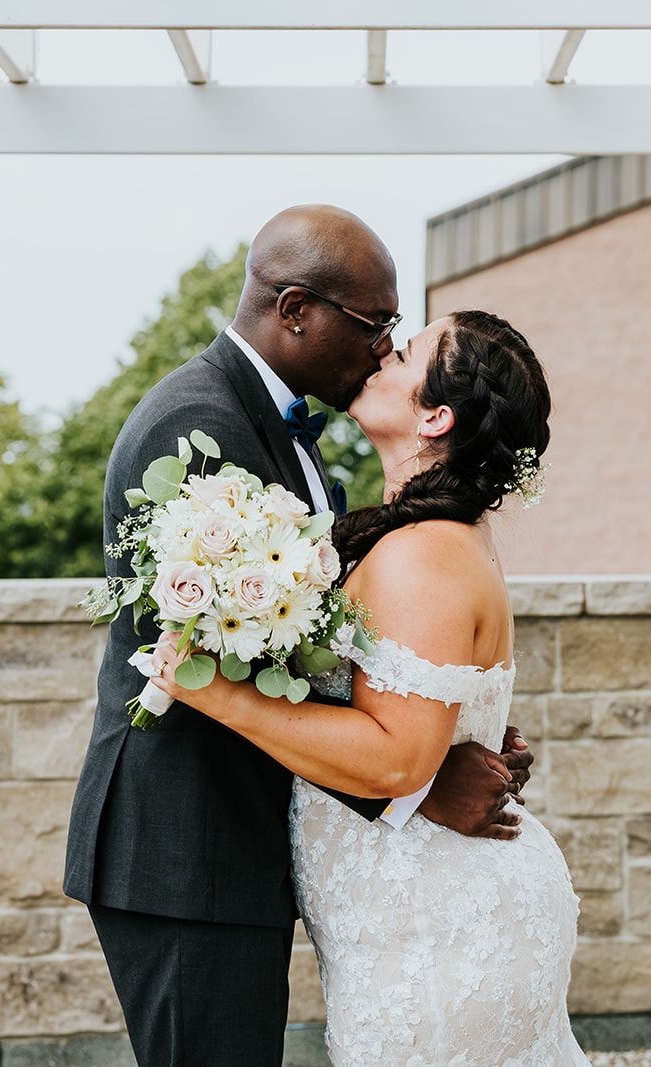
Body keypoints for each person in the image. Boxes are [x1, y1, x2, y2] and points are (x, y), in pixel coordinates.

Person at [63, 208, 536, 1066]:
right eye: (374, 326)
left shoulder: (288, 434)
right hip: (185, 848)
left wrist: (443, 727)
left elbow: (320, 653)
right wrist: (418, 778)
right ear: (293, 309)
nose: (381, 348)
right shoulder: (197, 428)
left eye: (398, 336)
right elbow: (230, 657)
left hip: (233, 849)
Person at [152, 309, 583, 1064]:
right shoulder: (428, 535)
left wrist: (215, 693)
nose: (384, 351)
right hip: (417, 913)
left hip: (438, 926)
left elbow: (395, 761)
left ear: (436, 414)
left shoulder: (423, 554)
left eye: (407, 350)